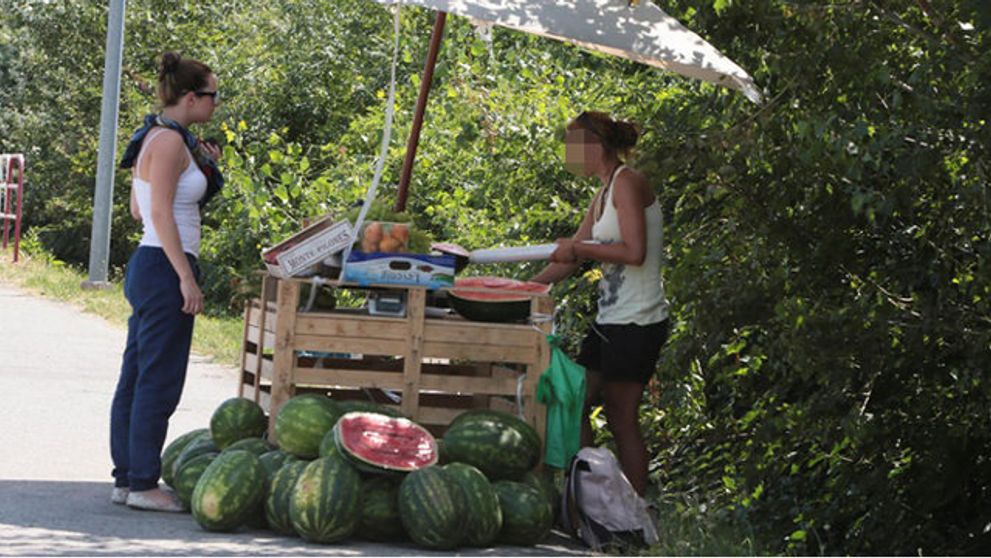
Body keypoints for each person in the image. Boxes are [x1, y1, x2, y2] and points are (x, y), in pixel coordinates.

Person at [532, 111, 669, 496]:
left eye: (573, 147)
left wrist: (578, 247)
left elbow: (634, 251)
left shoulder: (628, 183)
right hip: (610, 320)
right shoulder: (603, 192)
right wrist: (524, 287)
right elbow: (570, 258)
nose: (569, 155)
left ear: (594, 146)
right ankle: (597, 496)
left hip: (639, 320)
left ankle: (636, 512)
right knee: (576, 402)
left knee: (621, 417)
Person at [109, 52, 223, 511]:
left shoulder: (157, 136)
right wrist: (185, 278)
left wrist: (201, 171)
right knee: (158, 379)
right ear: (191, 97)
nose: (216, 104)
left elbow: (140, 208)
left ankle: (127, 478)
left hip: (151, 262)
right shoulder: (172, 143)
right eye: (212, 96)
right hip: (164, 267)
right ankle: (142, 485)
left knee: (136, 375)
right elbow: (157, 214)